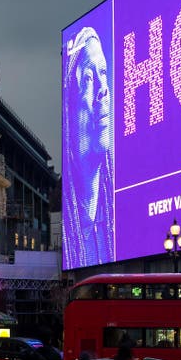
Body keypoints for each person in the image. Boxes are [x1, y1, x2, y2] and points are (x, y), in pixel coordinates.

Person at [62, 26, 114, 266]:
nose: (103, 90)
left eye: (103, 72)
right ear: (68, 109)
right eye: (89, 79)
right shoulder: (68, 233)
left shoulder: (120, 216)